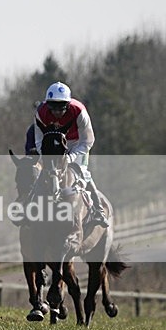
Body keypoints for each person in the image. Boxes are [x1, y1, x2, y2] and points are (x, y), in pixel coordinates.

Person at [26, 82, 109, 228]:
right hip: (54, 146)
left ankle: (98, 209)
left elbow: (88, 140)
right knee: (44, 173)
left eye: (61, 107)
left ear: (68, 104)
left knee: (82, 172)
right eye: (53, 108)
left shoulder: (79, 111)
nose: (57, 112)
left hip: (78, 143)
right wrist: (46, 156)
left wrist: (71, 157)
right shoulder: (41, 113)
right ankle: (29, 208)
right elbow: (39, 141)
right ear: (48, 105)